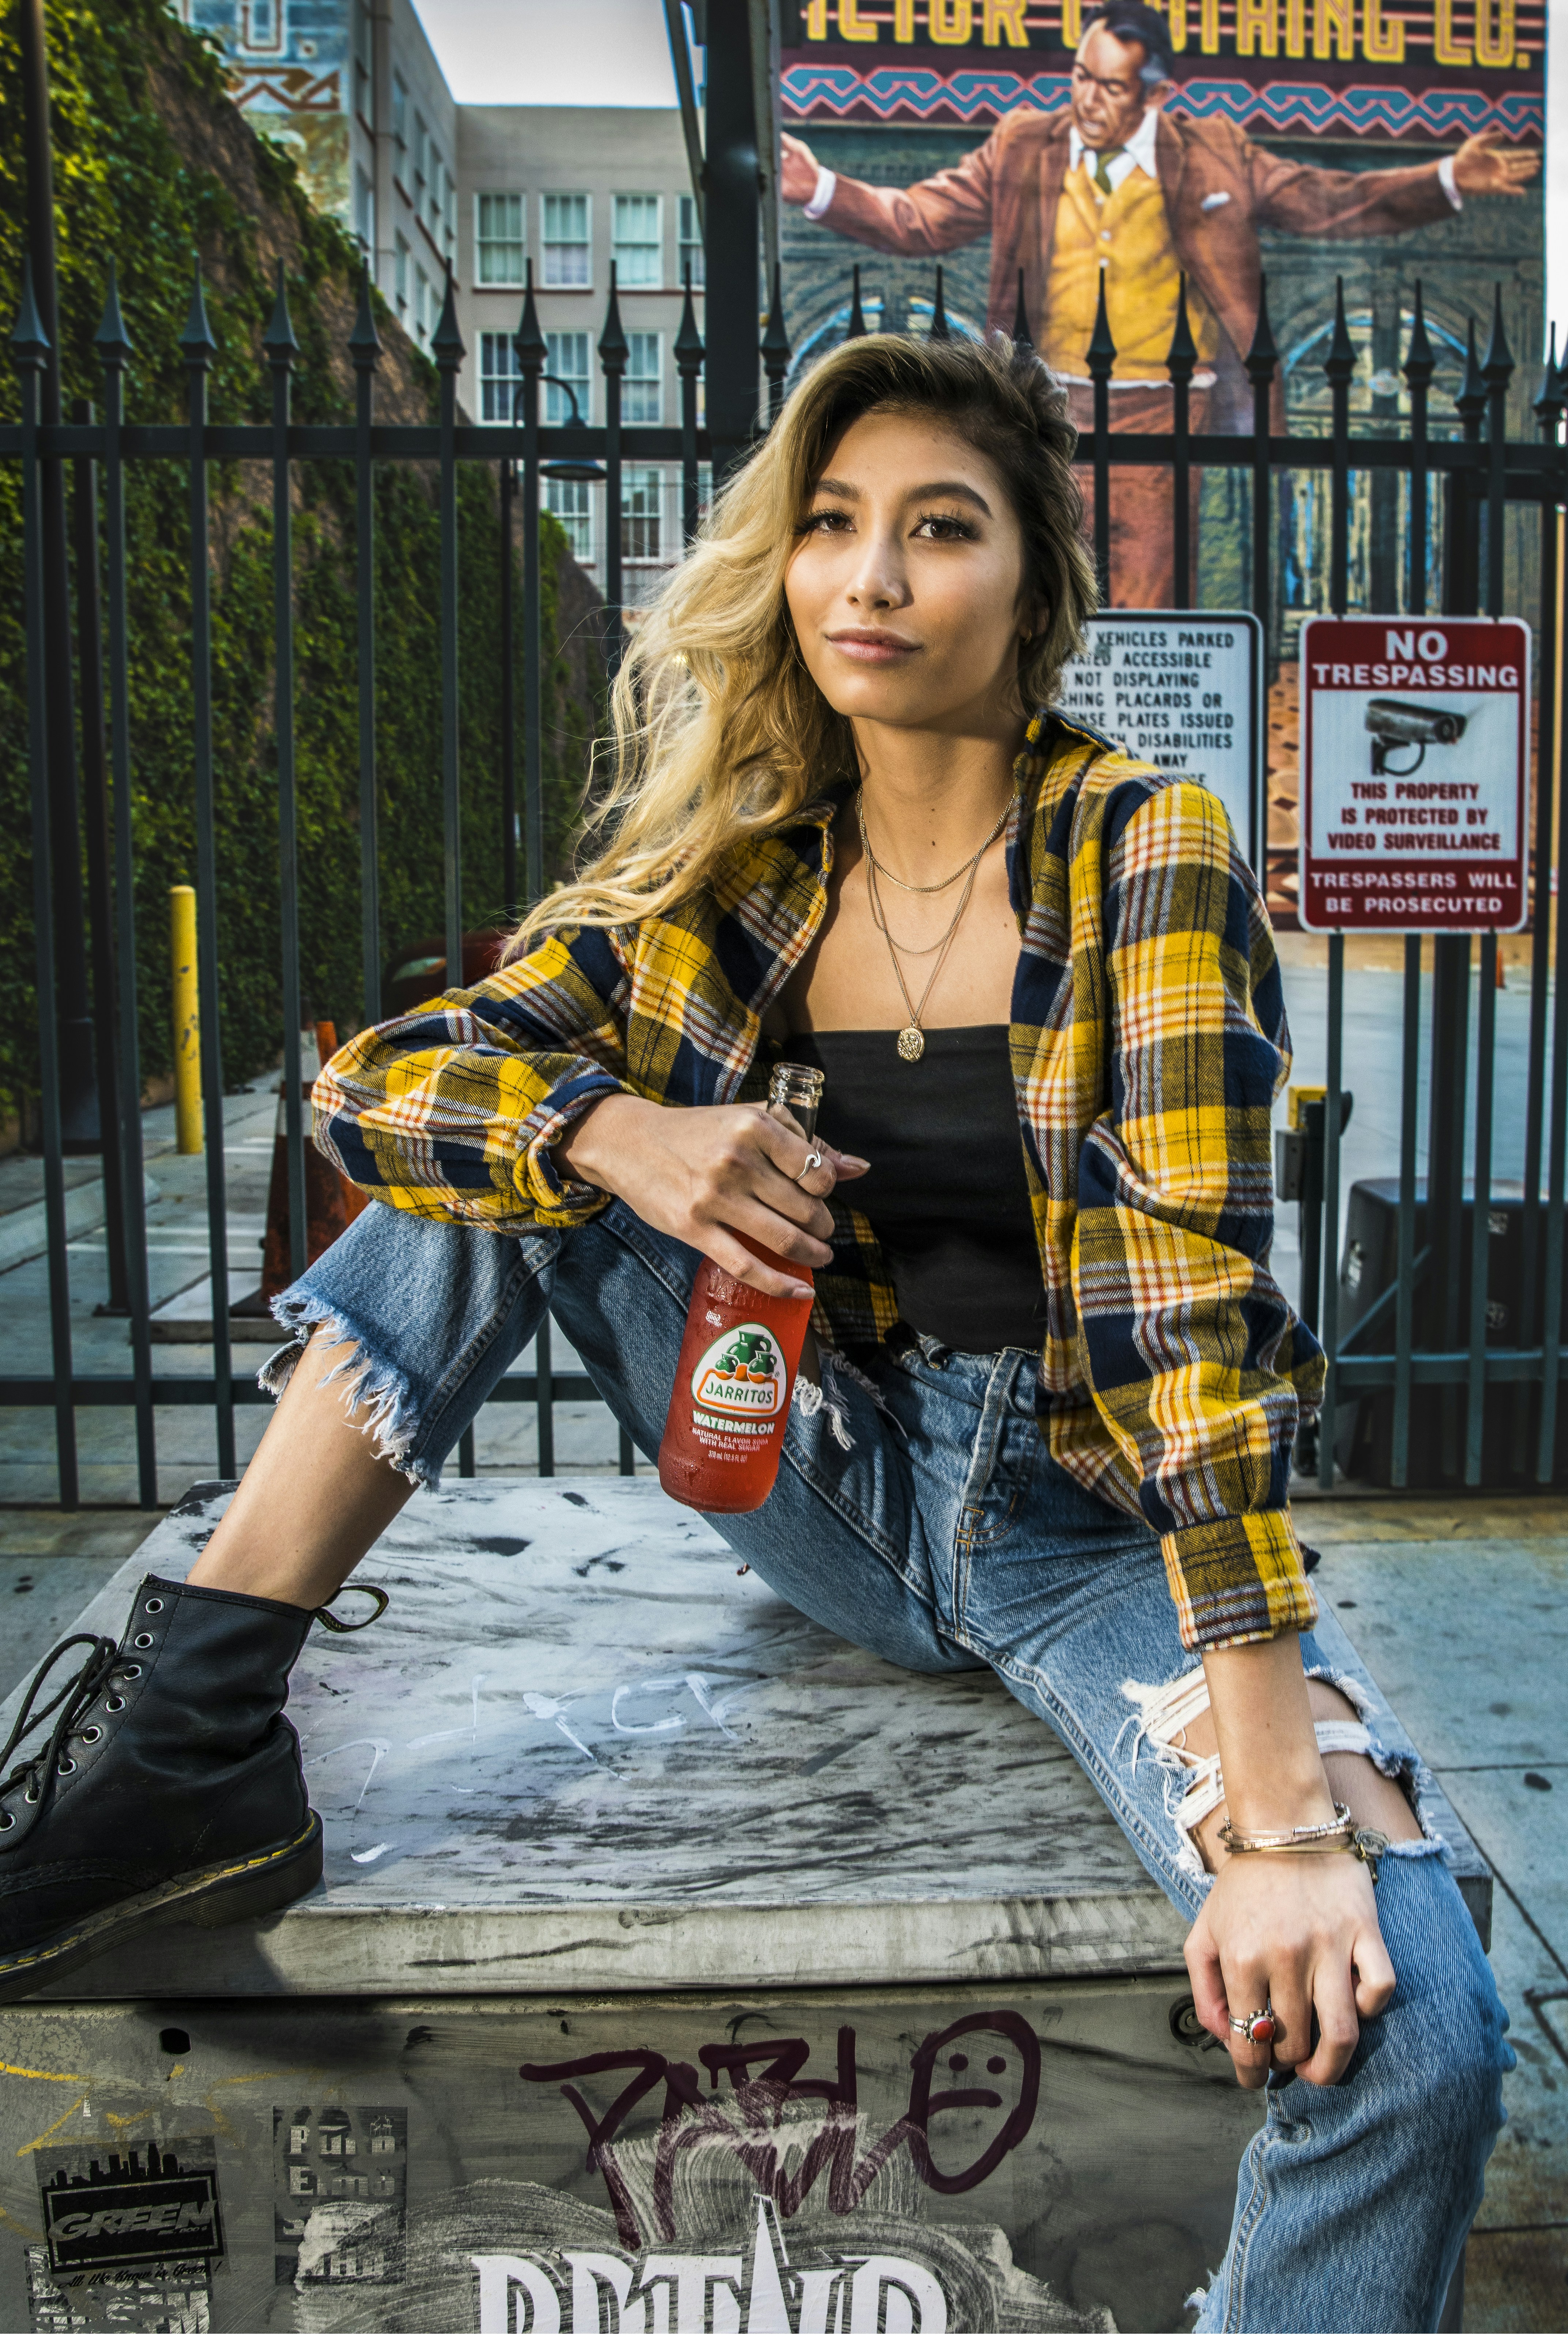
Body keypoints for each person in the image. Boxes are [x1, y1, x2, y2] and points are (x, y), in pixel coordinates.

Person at [0, 333, 1505, 2328]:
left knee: (1421, 2037)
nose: (870, 577)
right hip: (818, 1470)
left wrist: (1285, 1815)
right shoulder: (739, 877)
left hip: (1082, 1547)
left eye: (938, 530)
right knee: (502, 1153)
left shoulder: (1146, 846)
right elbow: (370, 1091)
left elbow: (1191, 1329)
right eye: (832, 524)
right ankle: (197, 1739)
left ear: (1034, 588)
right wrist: (615, 1131)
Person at [781, 0, 1539, 605]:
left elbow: (1325, 202)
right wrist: (820, 188)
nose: (1088, 99)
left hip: (1167, 408)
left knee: (1149, 595)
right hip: (1042, 410)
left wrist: (1444, 179)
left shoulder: (1212, 152)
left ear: (1154, 93)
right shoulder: (1023, 144)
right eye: (1081, 77)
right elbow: (920, 217)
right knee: (1039, 593)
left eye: (1110, 87)